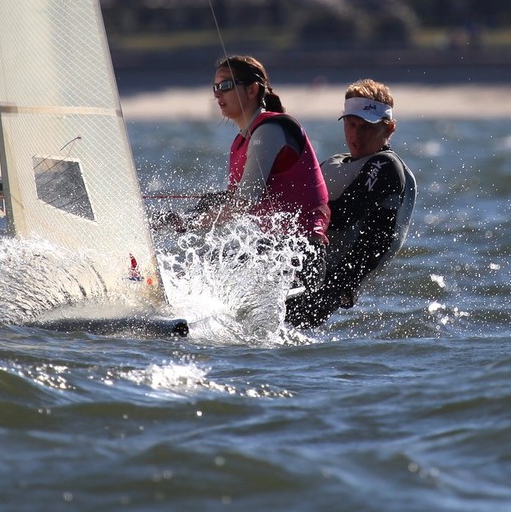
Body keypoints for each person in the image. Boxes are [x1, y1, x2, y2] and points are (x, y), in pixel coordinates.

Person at [159, 55, 331, 325]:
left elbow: (244, 202)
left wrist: (190, 224)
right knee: (206, 269)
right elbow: (233, 198)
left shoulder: (270, 130)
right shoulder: (241, 141)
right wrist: (182, 217)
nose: (218, 95)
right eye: (215, 87)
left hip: (300, 256)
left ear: (252, 90)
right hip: (274, 252)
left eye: (226, 85)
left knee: (216, 269)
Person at [305, 78, 417, 326]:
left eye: (367, 127)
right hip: (308, 269)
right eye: (351, 124)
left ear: (389, 129)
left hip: (334, 282)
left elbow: (343, 213)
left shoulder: (386, 166)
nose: (357, 135)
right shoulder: (334, 162)